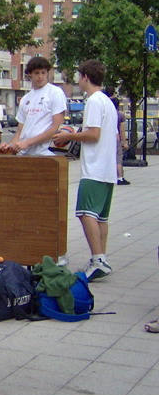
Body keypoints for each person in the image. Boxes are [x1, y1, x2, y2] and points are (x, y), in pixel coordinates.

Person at [53, 60, 117, 281]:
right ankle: (100, 258)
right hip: (107, 169)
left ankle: (98, 259)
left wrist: (69, 135)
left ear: (86, 77)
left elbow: (93, 134)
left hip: (94, 168)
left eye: (79, 77)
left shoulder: (94, 101)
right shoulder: (108, 101)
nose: (78, 81)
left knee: (85, 213)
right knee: (100, 217)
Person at [0, 57, 66, 156]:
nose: (40, 76)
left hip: (45, 153)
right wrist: (9, 146)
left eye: (43, 72)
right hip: (25, 154)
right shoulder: (25, 99)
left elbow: (57, 127)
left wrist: (27, 143)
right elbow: (20, 132)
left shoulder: (55, 92)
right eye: (36, 73)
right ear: (30, 74)